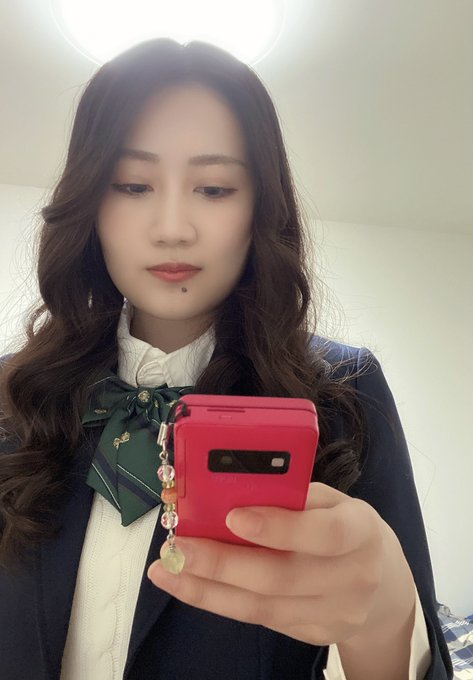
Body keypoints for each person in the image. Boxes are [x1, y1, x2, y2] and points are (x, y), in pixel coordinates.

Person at [0, 38, 452, 680]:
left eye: (214, 188)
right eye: (132, 184)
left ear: (259, 206)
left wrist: (386, 618)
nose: (172, 227)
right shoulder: (14, 393)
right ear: (91, 202)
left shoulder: (343, 391)